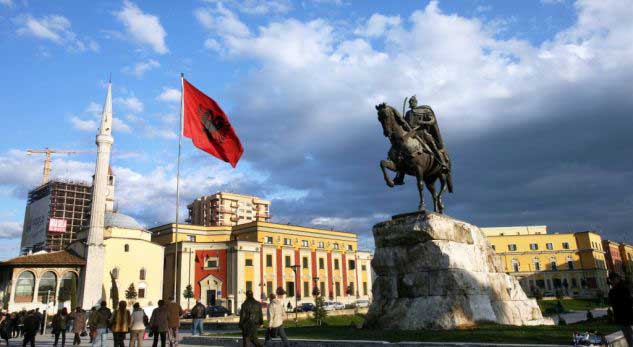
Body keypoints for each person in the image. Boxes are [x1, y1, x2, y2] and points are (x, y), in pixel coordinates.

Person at [608, 273, 633, 346]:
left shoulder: (624, 287)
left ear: (617, 278)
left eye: (613, 279)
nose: (612, 281)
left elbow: (629, 300)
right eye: (611, 279)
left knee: (628, 333)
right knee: (627, 332)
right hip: (620, 314)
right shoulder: (613, 289)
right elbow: (611, 301)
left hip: (626, 313)